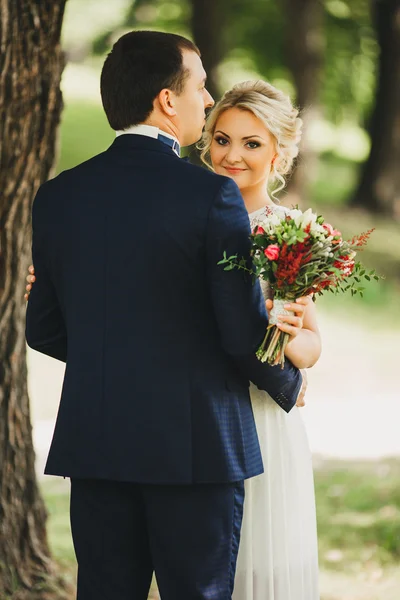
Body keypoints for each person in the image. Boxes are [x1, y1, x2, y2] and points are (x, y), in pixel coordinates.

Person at [25, 31, 304, 600]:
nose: (208, 99)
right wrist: (289, 380)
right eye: (201, 86)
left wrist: (118, 348)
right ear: (167, 99)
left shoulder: (58, 195)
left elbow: (44, 328)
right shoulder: (211, 197)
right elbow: (237, 331)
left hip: (97, 442)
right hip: (195, 448)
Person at [199, 80, 321, 600]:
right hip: (201, 409)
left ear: (279, 150)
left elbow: (313, 346)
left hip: (266, 416)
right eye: (222, 139)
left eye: (251, 143)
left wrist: (288, 333)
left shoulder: (292, 230)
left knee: (264, 562)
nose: (232, 155)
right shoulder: (189, 218)